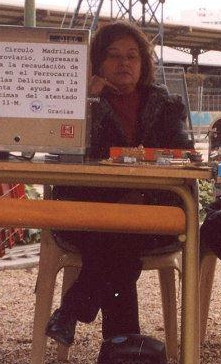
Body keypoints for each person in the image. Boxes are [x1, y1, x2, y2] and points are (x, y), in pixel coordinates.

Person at [46, 20, 192, 345]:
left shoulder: (165, 105)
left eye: (132, 56)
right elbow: (72, 153)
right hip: (92, 216)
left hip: (152, 214)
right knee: (119, 240)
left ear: (143, 63)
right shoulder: (80, 101)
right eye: (114, 56)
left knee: (118, 237)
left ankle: (72, 310)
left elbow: (183, 154)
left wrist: (140, 187)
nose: (124, 63)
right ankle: (123, 357)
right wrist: (92, 100)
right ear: (98, 62)